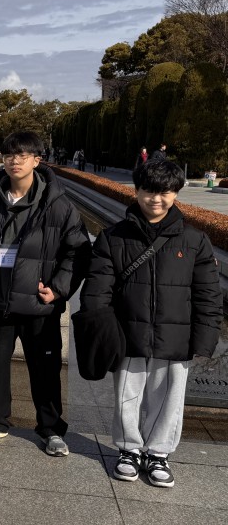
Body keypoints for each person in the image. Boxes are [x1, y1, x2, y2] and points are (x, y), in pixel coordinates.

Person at [78, 160, 221, 487]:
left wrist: (204, 340)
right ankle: (129, 449)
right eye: (148, 191)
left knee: (169, 398)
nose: (156, 199)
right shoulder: (114, 237)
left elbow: (207, 295)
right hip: (128, 333)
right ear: (137, 191)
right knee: (128, 394)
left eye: (164, 192)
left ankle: (158, 453)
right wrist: (100, 330)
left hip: (177, 337)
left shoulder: (194, 240)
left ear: (175, 193)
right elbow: (98, 288)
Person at [0, 131, 91, 456]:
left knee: (44, 369)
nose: (14, 160)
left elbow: (79, 251)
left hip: (39, 305)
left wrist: (59, 289)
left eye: (22, 155)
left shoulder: (57, 204)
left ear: (36, 160)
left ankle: (50, 428)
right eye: (8, 154)